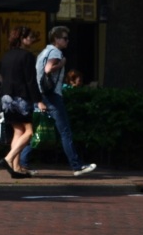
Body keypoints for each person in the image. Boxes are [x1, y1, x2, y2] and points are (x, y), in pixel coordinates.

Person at [23, 25, 96, 177]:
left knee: (39, 129)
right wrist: (62, 64)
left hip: (40, 94)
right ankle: (77, 166)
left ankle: (21, 161)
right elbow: (49, 69)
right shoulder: (55, 52)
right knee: (65, 132)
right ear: (56, 39)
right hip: (51, 96)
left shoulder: (44, 51)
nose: (67, 41)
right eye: (64, 38)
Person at [0, 26, 44, 178]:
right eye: (30, 37)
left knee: (18, 131)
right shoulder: (27, 56)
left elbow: (2, 77)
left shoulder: (6, 56)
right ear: (22, 39)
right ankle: (9, 158)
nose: (31, 40)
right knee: (29, 132)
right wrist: (38, 100)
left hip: (6, 98)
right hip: (21, 98)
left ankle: (16, 169)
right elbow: (30, 81)